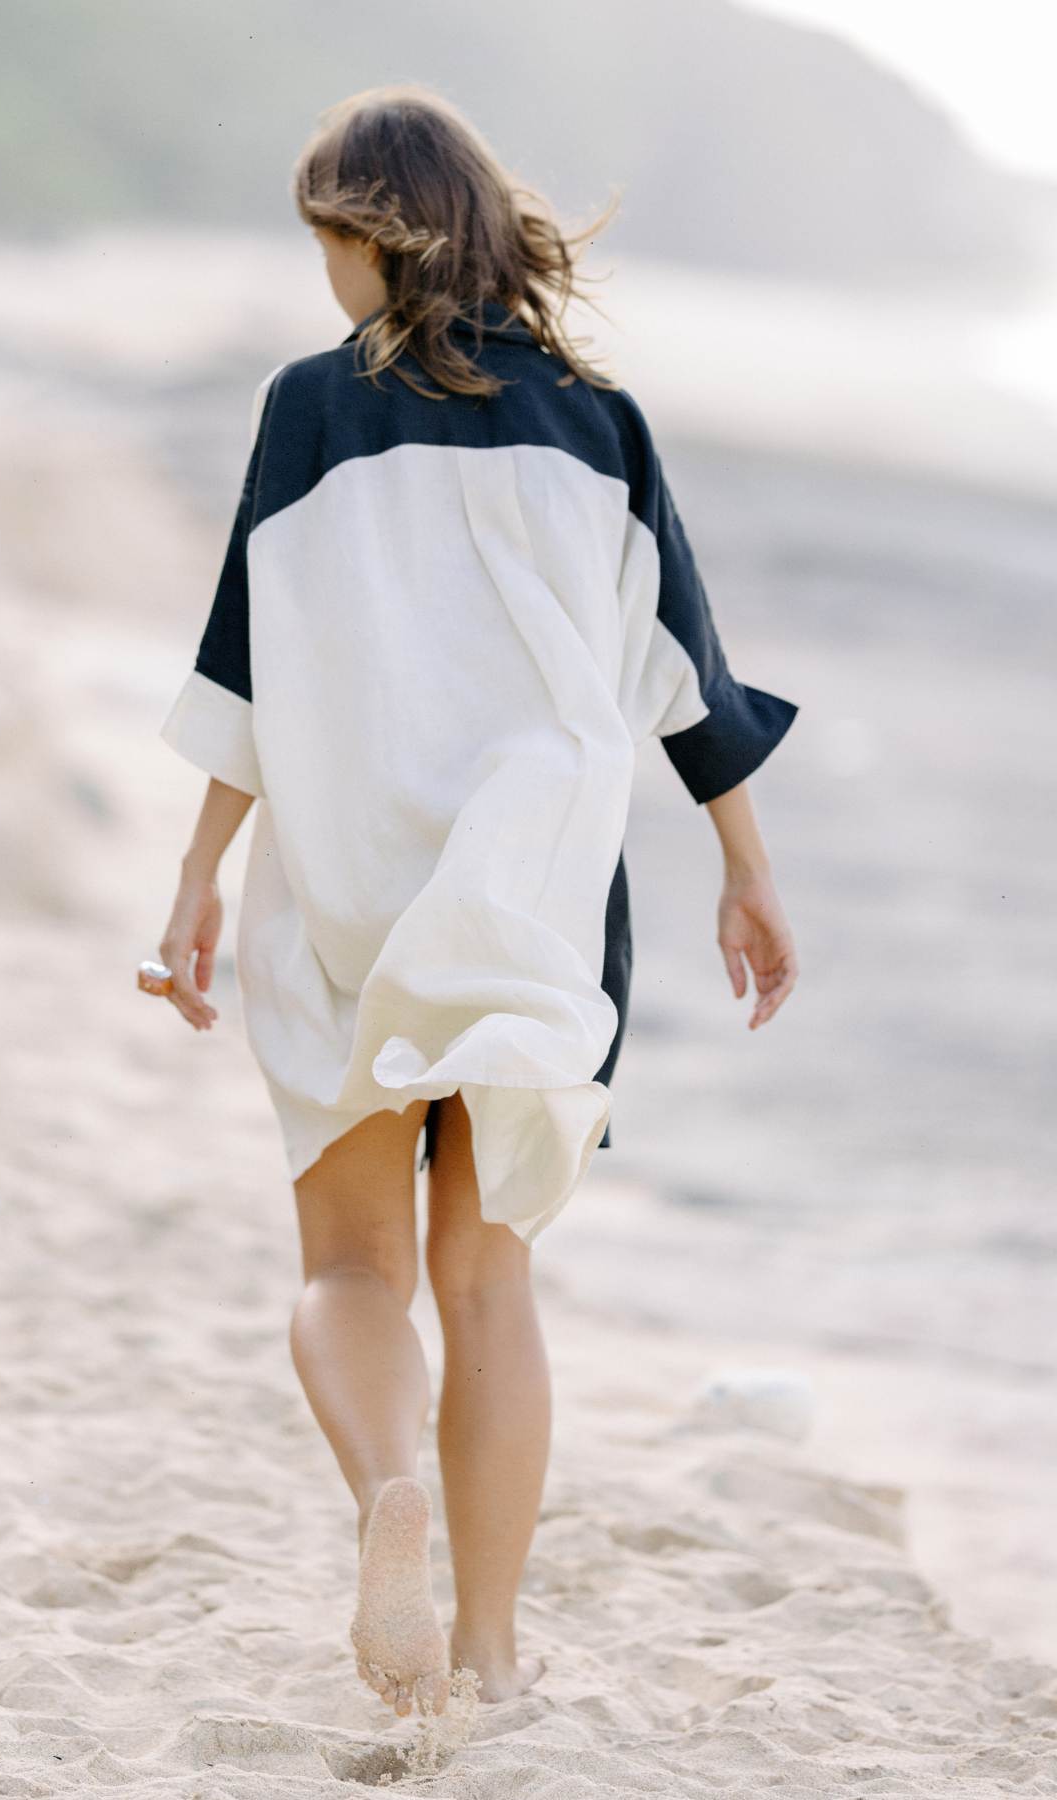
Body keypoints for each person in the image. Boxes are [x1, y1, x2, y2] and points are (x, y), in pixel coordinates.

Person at [149, 84, 800, 1721]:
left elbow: (248, 654)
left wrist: (196, 873)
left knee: (346, 1262)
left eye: (331, 249)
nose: (328, 283)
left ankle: (388, 1489)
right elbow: (680, 675)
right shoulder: (599, 417)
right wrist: (747, 867)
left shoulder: (307, 409)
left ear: (372, 236)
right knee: (488, 1275)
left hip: (348, 880)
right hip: (538, 886)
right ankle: (495, 1654)